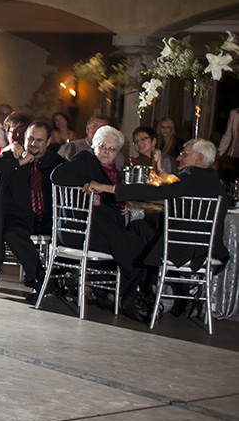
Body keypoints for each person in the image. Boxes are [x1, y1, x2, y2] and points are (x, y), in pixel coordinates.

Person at [50, 126, 151, 320]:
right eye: (103, 146)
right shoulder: (85, 160)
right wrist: (86, 188)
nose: (106, 152)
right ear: (94, 146)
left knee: (140, 246)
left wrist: (121, 206)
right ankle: (115, 294)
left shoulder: (112, 171)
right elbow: (57, 175)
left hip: (97, 227)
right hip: (79, 229)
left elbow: (108, 199)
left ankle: (111, 293)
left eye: (112, 149)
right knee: (138, 248)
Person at [85, 138, 229, 271]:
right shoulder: (215, 183)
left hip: (184, 250)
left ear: (200, 158)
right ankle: (155, 285)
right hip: (211, 248)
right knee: (147, 236)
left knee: (137, 227)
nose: (178, 158)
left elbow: (151, 192)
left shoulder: (192, 180)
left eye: (184, 154)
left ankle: (128, 284)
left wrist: (105, 188)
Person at [0, 121, 64, 301]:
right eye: (30, 139)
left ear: (48, 142)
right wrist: (20, 162)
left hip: (47, 219)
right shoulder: (14, 156)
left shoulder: (56, 162)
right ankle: (42, 279)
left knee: (67, 234)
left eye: (39, 140)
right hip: (19, 218)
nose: (33, 143)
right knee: (11, 233)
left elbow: (75, 178)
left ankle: (59, 282)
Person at [57, 114, 125, 169]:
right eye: (94, 126)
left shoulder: (115, 155)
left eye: (102, 128)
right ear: (87, 129)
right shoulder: (71, 147)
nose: (97, 130)